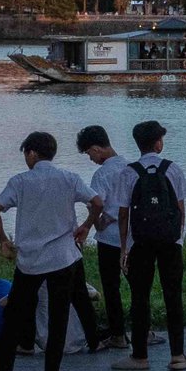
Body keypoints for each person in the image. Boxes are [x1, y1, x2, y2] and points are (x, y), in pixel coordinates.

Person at [0, 131, 104, 371]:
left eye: (26, 153)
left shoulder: (20, 182)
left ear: (32, 153)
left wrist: (3, 241)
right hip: (63, 257)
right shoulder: (69, 178)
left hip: (29, 261)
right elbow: (97, 202)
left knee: (14, 317)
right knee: (59, 317)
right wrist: (86, 226)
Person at [113, 120, 186, 371]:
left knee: (140, 297)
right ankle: (178, 356)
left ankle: (139, 356)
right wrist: (177, 238)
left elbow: (123, 215)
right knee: (173, 296)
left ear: (138, 143)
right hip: (170, 243)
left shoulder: (128, 172)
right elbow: (181, 210)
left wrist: (124, 248)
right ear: (158, 143)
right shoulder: (173, 169)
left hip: (141, 243)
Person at [75, 125, 133, 349]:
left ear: (97, 149)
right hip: (131, 238)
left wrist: (91, 224)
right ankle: (145, 331)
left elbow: (96, 204)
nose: (91, 159)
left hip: (109, 239)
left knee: (111, 287)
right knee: (138, 285)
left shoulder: (102, 174)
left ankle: (118, 334)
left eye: (89, 154)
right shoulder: (131, 167)